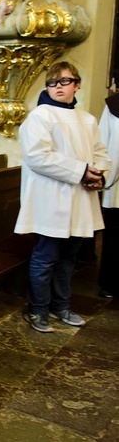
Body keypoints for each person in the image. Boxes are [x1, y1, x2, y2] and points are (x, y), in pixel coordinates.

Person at [15, 61, 110, 333]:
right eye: (53, 83)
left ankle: (61, 306)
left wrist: (98, 174)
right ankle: (38, 309)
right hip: (50, 198)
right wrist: (82, 171)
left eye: (65, 81)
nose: (58, 87)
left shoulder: (87, 119)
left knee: (69, 258)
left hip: (80, 198)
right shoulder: (39, 116)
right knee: (45, 256)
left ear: (77, 85)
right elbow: (37, 157)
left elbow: (100, 153)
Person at [98, 94, 119, 298]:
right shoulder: (114, 105)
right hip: (117, 185)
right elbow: (102, 143)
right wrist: (101, 176)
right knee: (114, 235)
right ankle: (110, 283)